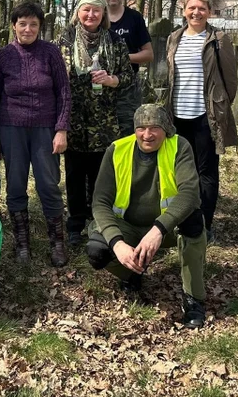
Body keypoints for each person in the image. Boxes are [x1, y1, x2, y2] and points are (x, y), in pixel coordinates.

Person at [87, 105, 208, 328]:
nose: (147, 135)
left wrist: (158, 230)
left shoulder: (179, 146)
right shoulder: (117, 150)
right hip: (129, 227)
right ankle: (132, 273)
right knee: (97, 249)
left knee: (193, 222)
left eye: (154, 128)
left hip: (168, 228)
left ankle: (194, 298)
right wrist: (116, 243)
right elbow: (100, 202)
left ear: (166, 129)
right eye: (141, 128)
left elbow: (190, 193)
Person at [0, 3, 71, 266]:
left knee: (48, 184)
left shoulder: (51, 53)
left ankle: (57, 243)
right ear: (13, 25)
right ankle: (22, 244)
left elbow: (64, 93)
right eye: (22, 23)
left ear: (40, 27)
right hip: (11, 128)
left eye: (33, 24)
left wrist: (61, 129)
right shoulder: (3, 56)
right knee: (15, 186)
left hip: (45, 129)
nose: (28, 29)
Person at [57, 0, 133, 246]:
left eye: (96, 11)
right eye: (86, 10)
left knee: (101, 175)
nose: (91, 15)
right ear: (77, 12)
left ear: (103, 15)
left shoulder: (114, 42)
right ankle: (76, 223)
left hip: (104, 122)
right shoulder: (63, 43)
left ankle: (99, 221)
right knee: (75, 174)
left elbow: (129, 78)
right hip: (74, 120)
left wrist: (112, 80)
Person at [165, 0, 238, 244]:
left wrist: (221, 105)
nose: (196, 13)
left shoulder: (219, 39)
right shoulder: (174, 38)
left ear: (209, 12)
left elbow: (230, 80)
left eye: (202, 8)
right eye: (191, 8)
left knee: (206, 171)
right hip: (177, 116)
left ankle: (205, 224)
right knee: (182, 171)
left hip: (205, 115)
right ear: (183, 10)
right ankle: (185, 219)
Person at [101, 0, 153, 137]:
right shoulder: (94, 16)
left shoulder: (134, 18)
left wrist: (122, 58)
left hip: (128, 89)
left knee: (127, 136)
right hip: (99, 87)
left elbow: (148, 54)